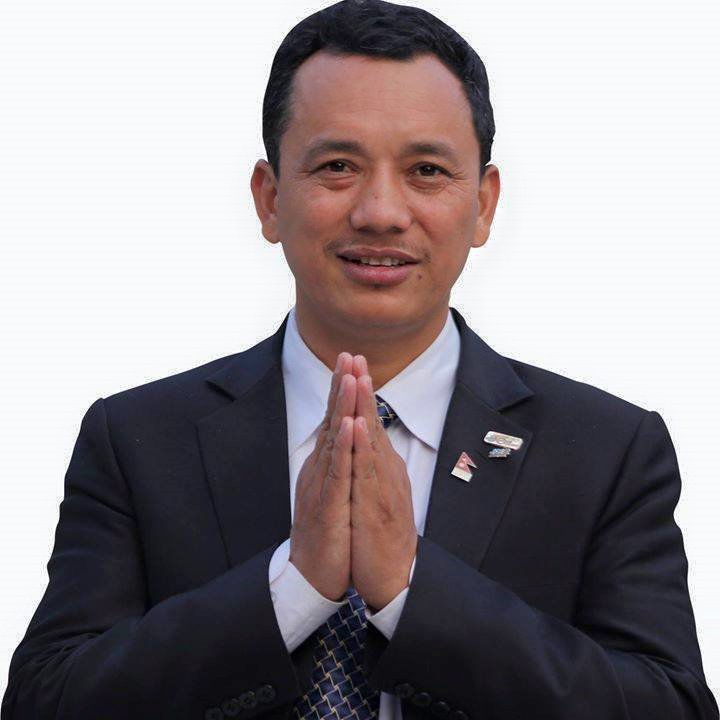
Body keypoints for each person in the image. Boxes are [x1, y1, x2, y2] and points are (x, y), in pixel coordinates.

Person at [2, 0, 718, 718]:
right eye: (338, 166)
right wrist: (291, 590)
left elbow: (672, 707)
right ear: (270, 198)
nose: (380, 211)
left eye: (427, 170)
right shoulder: (138, 440)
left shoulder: (606, 450)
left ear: (483, 204)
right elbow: (43, 701)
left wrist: (411, 589)